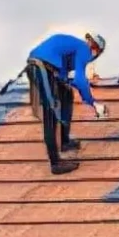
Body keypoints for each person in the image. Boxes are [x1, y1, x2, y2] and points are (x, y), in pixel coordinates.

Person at [25, 31, 108, 175]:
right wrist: (93, 103)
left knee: (66, 94)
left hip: (44, 67)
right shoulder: (84, 49)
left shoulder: (72, 49)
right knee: (50, 111)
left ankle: (65, 141)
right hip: (42, 68)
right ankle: (55, 163)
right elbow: (80, 80)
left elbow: (65, 77)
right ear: (95, 49)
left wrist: (74, 88)